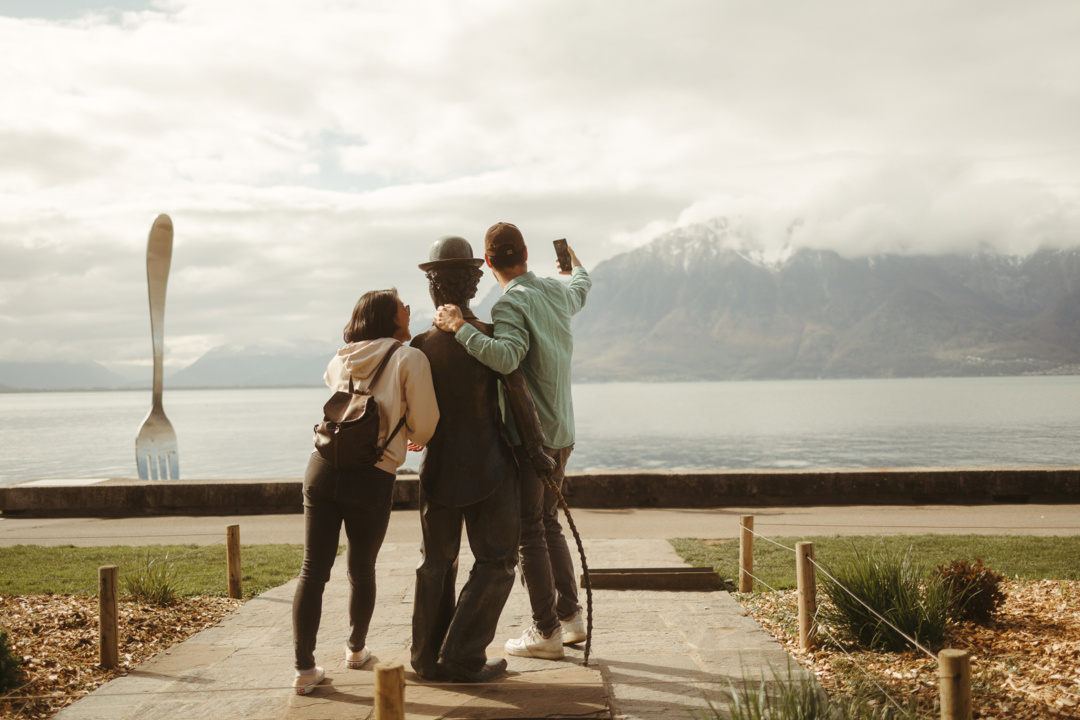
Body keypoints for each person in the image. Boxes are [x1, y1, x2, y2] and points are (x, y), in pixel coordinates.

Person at [433, 222, 591, 661]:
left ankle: (546, 631)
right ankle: (571, 618)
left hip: (531, 437)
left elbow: (504, 356)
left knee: (530, 532)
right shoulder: (556, 293)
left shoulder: (509, 305)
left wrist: (459, 327)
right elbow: (581, 285)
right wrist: (572, 260)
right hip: (563, 431)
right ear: (525, 253)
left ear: (488, 263)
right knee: (549, 522)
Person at [409, 236, 556, 682]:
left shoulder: (420, 345)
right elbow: (520, 401)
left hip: (437, 468)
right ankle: (462, 655)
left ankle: (426, 657)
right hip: (490, 466)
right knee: (496, 562)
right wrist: (536, 453)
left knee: (437, 562)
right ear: (473, 283)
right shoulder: (487, 338)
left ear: (434, 286)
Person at [292, 288, 439, 695]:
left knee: (312, 570)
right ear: (388, 320)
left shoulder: (340, 358)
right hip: (372, 475)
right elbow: (425, 424)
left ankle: (304, 669)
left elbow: (335, 389)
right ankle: (355, 649)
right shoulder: (410, 359)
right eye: (402, 307)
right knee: (361, 567)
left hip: (321, 468)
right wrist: (412, 434)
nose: (409, 310)